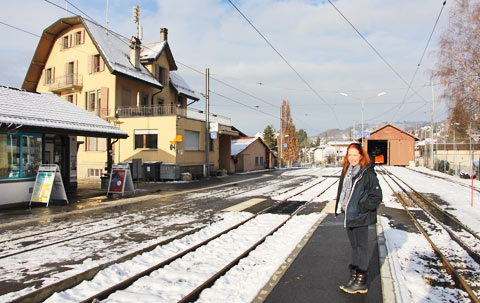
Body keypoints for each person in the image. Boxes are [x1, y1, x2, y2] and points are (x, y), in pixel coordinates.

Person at [335, 143, 382, 294]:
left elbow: (376, 197)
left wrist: (361, 208)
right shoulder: (347, 171)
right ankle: (354, 278)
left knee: (362, 248)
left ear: (362, 156)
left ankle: (361, 281)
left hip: (360, 216)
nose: (352, 158)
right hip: (350, 215)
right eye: (350, 155)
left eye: (355, 155)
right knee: (355, 247)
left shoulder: (367, 174)